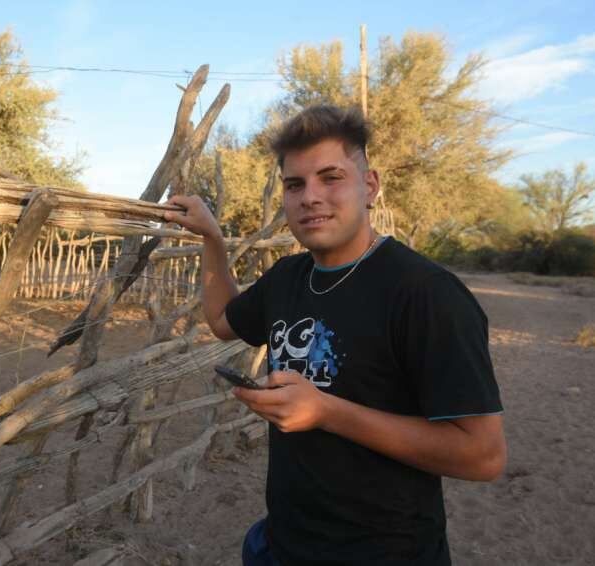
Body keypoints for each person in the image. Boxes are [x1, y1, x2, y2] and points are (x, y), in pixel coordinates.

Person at [163, 105, 506, 566]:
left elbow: (483, 456)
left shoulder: (426, 295)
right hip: (283, 543)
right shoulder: (288, 277)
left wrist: (326, 412)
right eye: (295, 184)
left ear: (369, 186)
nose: (310, 197)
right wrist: (212, 239)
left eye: (331, 177)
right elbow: (224, 319)